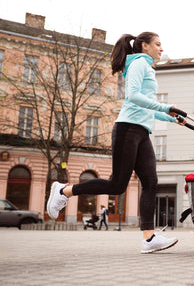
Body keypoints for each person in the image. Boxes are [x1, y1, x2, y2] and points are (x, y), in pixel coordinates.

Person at [47, 32, 184, 254]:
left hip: (141, 131)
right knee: (117, 185)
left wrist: (172, 118)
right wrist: (165, 107)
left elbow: (147, 106)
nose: (161, 48)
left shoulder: (147, 67)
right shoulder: (139, 63)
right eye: (157, 44)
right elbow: (133, 96)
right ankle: (64, 191)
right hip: (127, 129)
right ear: (144, 45)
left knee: (150, 182)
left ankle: (149, 239)